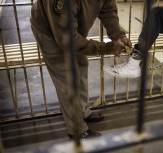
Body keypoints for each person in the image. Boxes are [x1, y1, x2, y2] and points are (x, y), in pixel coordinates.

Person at [30, 0, 132, 138]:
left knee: (81, 65)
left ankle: (82, 111)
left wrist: (118, 35)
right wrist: (105, 48)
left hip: (72, 29)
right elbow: (67, 39)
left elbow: (107, 10)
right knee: (67, 77)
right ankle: (76, 128)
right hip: (50, 30)